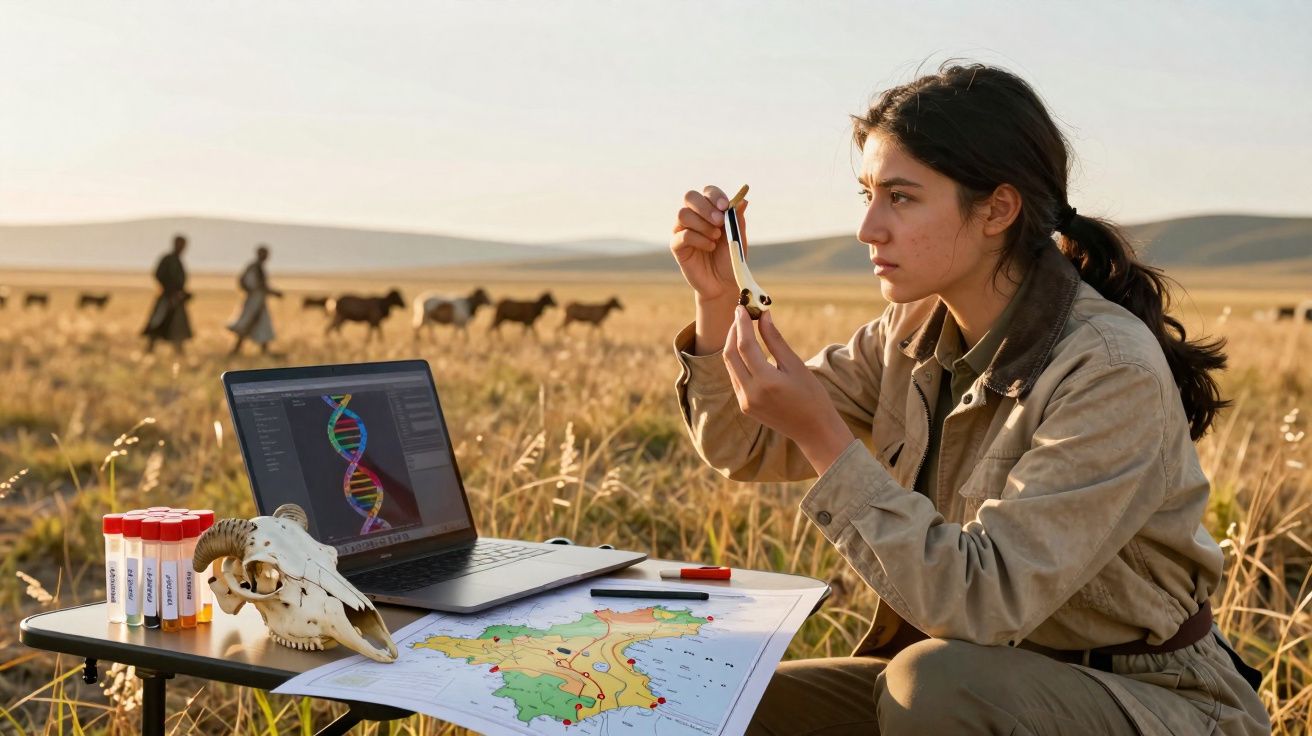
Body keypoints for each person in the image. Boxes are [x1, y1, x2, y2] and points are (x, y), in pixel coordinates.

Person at [669, 63, 1269, 735]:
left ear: (997, 210)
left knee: (932, 686)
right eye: (866, 193)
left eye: (900, 197)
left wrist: (823, 436)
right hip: (981, 675)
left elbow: (984, 600)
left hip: (1149, 698)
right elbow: (739, 444)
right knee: (726, 698)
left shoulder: (1109, 370)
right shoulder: (909, 331)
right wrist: (717, 300)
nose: (868, 227)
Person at [227, 244, 282, 355]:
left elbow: (244, 282)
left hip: (256, 300)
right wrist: (273, 293)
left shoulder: (255, 267)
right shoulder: (255, 267)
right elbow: (259, 285)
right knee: (250, 322)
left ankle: (262, 350)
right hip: (255, 301)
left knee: (260, 323)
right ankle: (238, 350)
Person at [142, 234, 193, 354]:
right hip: (167, 298)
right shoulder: (168, 259)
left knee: (177, 328)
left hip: (176, 299)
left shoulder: (177, 260)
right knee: (158, 324)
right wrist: (170, 290)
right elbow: (159, 275)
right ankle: (150, 350)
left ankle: (179, 353)